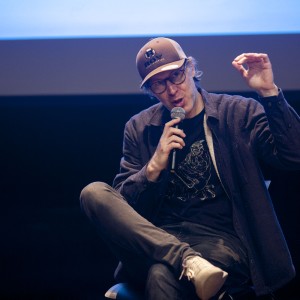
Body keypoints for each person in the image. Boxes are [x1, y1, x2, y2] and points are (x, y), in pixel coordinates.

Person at [80, 37, 300, 299]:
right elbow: (126, 211)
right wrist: (151, 169)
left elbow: (293, 155)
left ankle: (185, 261)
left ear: (191, 69)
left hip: (220, 243)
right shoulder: (139, 128)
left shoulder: (237, 113)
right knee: (93, 193)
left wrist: (269, 93)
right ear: (150, 90)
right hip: (156, 241)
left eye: (176, 76)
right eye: (159, 84)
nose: (172, 90)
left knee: (161, 274)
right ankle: (185, 259)